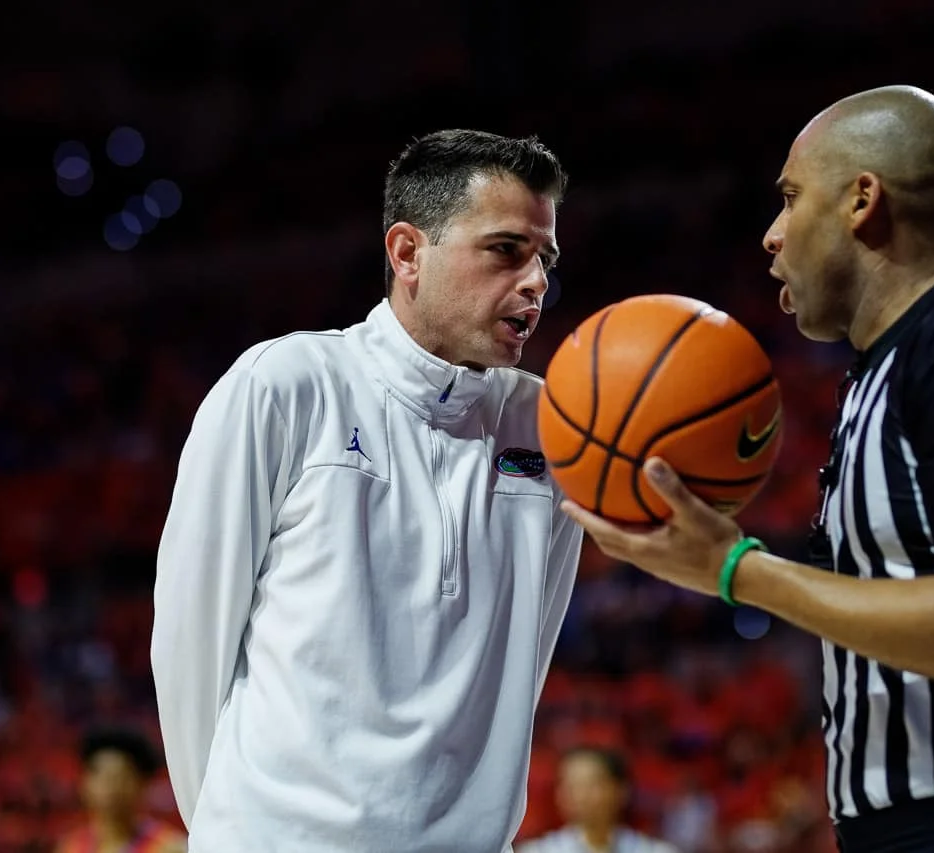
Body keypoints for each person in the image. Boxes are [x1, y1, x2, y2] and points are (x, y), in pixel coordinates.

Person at [562, 85, 934, 851]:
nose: (770, 234)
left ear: (863, 200)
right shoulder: (881, 370)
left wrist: (736, 568)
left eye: (791, 198)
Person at [151, 130, 584, 852]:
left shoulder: (550, 426)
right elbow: (191, 636)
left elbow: (526, 660)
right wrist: (235, 826)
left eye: (545, 257)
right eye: (507, 250)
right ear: (408, 252)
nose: (537, 279)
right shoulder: (286, 384)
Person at [517, 747, 680, 853]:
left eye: (591, 784)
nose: (580, 795)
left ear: (621, 791)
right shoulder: (537, 851)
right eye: (570, 785)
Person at [57, 726, 187, 853]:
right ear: (84, 784)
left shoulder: (170, 847)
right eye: (101, 775)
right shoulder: (70, 847)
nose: (111, 785)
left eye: (121, 776)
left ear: (142, 784)